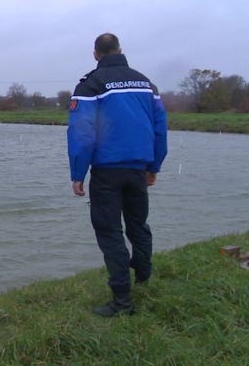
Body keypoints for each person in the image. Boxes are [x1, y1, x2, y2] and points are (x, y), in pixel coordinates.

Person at [67, 33, 167, 318]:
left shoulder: (91, 85)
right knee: (138, 224)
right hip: (138, 168)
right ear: (121, 50)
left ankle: (122, 300)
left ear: (96, 54)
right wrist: (154, 167)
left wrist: (78, 172)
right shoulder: (146, 83)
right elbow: (160, 128)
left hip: (107, 171)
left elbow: (82, 133)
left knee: (110, 232)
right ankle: (144, 277)